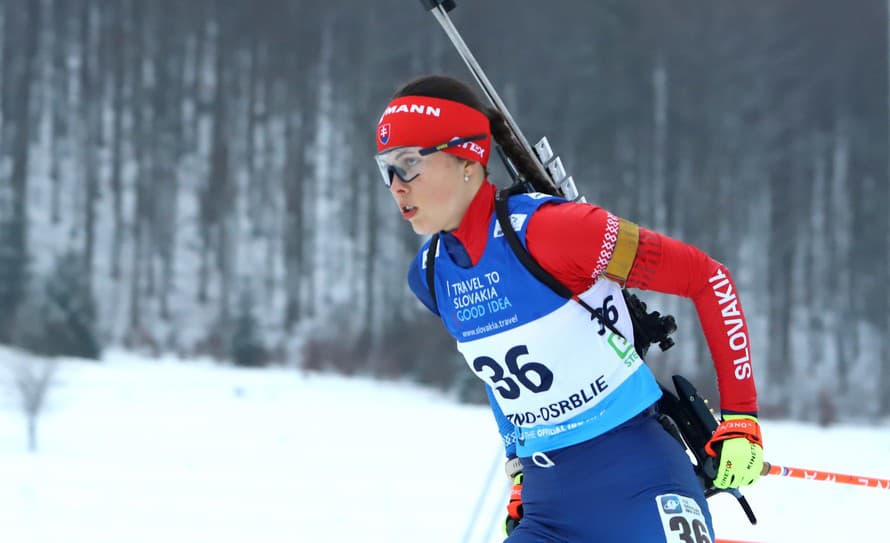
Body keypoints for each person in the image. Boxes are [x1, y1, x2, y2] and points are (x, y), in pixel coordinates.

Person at [374, 74, 764, 542]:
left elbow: (708, 278)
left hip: (642, 481)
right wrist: (518, 469)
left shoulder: (557, 232)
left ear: (468, 159)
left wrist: (742, 417)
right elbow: (504, 383)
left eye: (410, 164)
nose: (396, 186)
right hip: (548, 509)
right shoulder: (432, 274)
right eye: (387, 169)